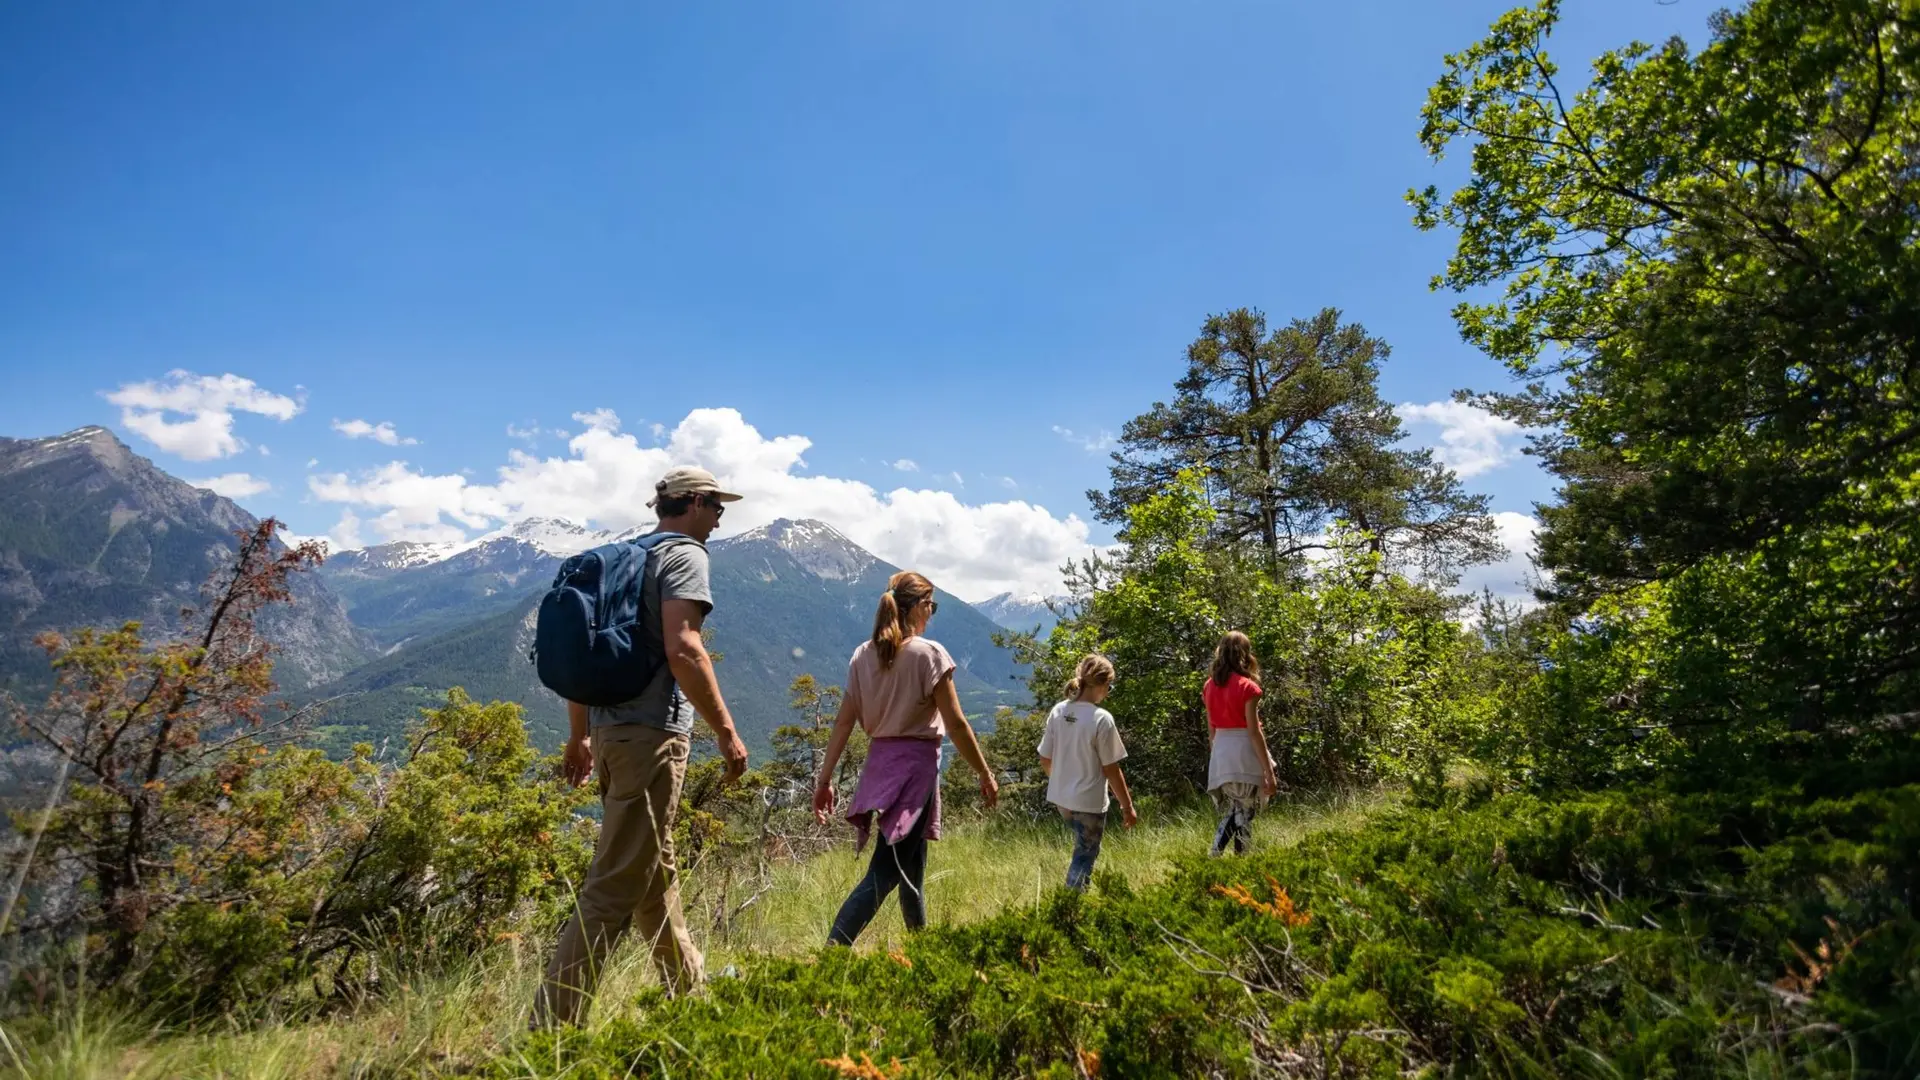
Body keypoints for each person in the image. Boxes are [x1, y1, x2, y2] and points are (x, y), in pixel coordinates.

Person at [531, 466, 752, 1029]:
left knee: (655, 875)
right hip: (650, 737)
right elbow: (685, 647)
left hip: (608, 735)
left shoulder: (623, 558)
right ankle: (550, 1029)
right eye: (718, 506)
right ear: (696, 503)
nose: (722, 517)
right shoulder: (684, 556)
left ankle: (689, 994)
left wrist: (579, 734)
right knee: (612, 887)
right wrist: (726, 731)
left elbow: (587, 661)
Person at [812, 570, 998, 946]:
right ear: (916, 608)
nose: (932, 613)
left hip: (879, 767)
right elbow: (957, 724)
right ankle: (832, 954)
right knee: (885, 872)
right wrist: (984, 772)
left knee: (909, 865)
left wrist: (825, 779)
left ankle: (921, 947)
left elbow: (844, 722)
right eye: (931, 605)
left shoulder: (862, 656)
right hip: (915, 772)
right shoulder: (928, 654)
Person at [1037, 654, 1137, 891]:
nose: (1108, 692)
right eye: (1109, 687)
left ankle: (1072, 904)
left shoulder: (1059, 711)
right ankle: (1070, 907)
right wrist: (1127, 806)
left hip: (1063, 801)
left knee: (1082, 849)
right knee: (1085, 856)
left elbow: (1045, 758)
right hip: (1089, 802)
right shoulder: (1102, 719)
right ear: (1102, 685)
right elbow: (1111, 769)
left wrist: (1060, 782)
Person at [1203, 631, 1278, 856]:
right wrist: (1269, 772)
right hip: (1243, 750)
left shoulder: (1209, 686)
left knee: (1241, 810)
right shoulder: (1249, 688)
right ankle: (1215, 853)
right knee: (1243, 811)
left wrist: (1215, 758)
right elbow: (1253, 732)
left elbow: (1211, 730)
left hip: (1221, 750)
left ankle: (1240, 858)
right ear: (1245, 655)